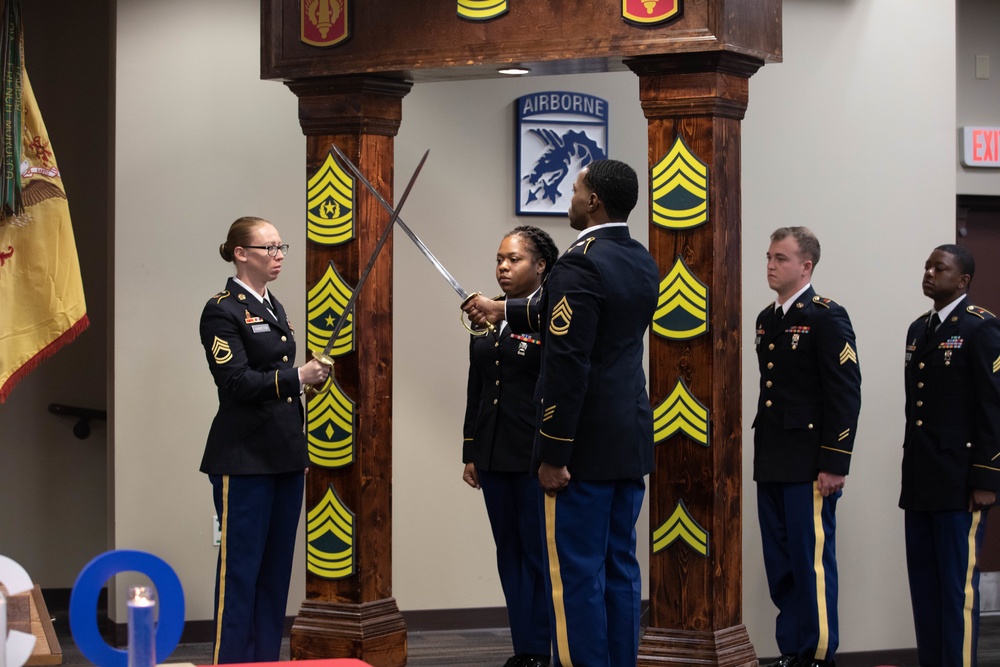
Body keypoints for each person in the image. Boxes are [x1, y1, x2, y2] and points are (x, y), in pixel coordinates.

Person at [464, 159, 659, 667]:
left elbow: (568, 362)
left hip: (582, 449)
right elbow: (565, 313)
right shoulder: (638, 257)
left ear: (593, 201)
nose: (569, 198)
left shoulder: (579, 261)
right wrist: (500, 308)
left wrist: (552, 452)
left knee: (574, 574)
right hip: (629, 438)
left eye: (575, 190)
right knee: (620, 567)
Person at [198, 216, 330, 664]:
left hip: (285, 454)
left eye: (281, 247)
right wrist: (296, 376)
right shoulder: (222, 308)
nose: (278, 256)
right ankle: (232, 661)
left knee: (275, 576)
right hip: (245, 457)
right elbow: (235, 382)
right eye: (269, 247)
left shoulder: (272, 305)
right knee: (240, 575)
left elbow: (276, 382)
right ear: (241, 253)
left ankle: (264, 661)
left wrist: (305, 382)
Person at [753, 226, 861, 667]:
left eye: (781, 258)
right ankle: (791, 649)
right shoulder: (767, 318)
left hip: (809, 464)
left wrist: (835, 462)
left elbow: (844, 393)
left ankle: (817, 654)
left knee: (811, 563)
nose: (771, 265)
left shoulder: (826, 315)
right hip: (773, 458)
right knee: (781, 565)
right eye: (769, 257)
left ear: (806, 265)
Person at [462, 225, 559, 667]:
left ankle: (545, 648)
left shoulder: (553, 316)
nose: (502, 266)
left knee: (539, 556)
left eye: (514, 259)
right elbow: (477, 387)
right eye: (499, 258)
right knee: (510, 555)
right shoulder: (485, 323)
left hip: (533, 455)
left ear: (540, 266)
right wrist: (470, 450)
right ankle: (525, 649)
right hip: (494, 453)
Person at [900, 244, 1000, 667]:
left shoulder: (981, 328)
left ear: (962, 281)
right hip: (922, 479)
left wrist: (986, 478)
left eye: (939, 268)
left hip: (961, 482)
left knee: (957, 591)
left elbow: (992, 406)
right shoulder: (918, 329)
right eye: (926, 265)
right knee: (924, 587)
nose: (928, 272)